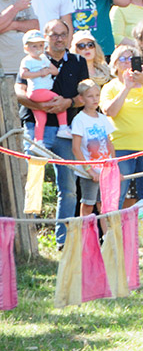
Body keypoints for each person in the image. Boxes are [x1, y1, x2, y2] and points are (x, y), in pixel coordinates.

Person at [15, 20, 88, 247]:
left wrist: (68, 102)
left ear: (68, 36)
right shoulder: (32, 58)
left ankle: (62, 240)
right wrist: (38, 106)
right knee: (31, 180)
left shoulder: (78, 62)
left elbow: (86, 94)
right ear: (46, 36)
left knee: (68, 188)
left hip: (67, 131)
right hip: (37, 126)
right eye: (53, 34)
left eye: (62, 34)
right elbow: (19, 90)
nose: (58, 38)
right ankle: (28, 239)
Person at [100, 44, 143, 208]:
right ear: (115, 64)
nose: (127, 62)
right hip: (121, 147)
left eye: (131, 58)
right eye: (123, 59)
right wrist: (126, 88)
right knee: (118, 194)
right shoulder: (110, 87)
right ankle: (115, 232)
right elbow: (110, 111)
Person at [70, 79, 115, 217]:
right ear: (82, 98)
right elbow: (76, 148)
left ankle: (106, 236)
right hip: (90, 171)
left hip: (105, 169)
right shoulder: (80, 120)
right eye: (90, 96)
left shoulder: (102, 118)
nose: (95, 99)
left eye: (97, 95)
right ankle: (85, 234)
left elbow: (109, 143)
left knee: (104, 205)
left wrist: (114, 165)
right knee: (88, 203)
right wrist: (89, 170)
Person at [20, 29, 71, 140]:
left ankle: (38, 142)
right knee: (58, 100)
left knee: (41, 119)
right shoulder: (27, 60)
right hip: (36, 92)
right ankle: (63, 128)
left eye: (41, 45)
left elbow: (55, 71)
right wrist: (40, 73)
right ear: (26, 48)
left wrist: (48, 70)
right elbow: (23, 74)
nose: (38, 49)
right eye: (34, 46)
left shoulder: (43, 58)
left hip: (42, 91)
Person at [0, 0, 38, 75]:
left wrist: (13, 25)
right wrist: (15, 8)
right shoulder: (19, 4)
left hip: (26, 70)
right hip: (3, 71)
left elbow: (35, 27)